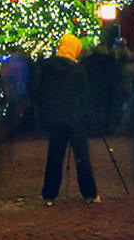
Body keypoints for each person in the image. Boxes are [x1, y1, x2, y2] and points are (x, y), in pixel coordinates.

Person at [37, 34, 99, 205]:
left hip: (56, 119)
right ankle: (89, 193)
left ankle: (49, 195)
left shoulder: (47, 68)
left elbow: (42, 93)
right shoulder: (77, 70)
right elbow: (84, 96)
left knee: (54, 158)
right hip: (75, 119)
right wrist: (90, 118)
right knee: (82, 158)